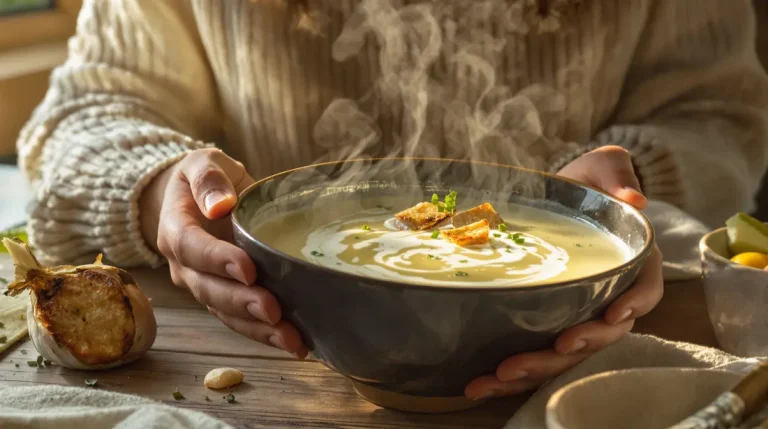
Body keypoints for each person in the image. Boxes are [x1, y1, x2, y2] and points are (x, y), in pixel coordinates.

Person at [17, 0, 768, 401]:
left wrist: (631, 206)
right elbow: (84, 116)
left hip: (584, 362)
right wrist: (162, 192)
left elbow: (717, 114)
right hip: (278, 355)